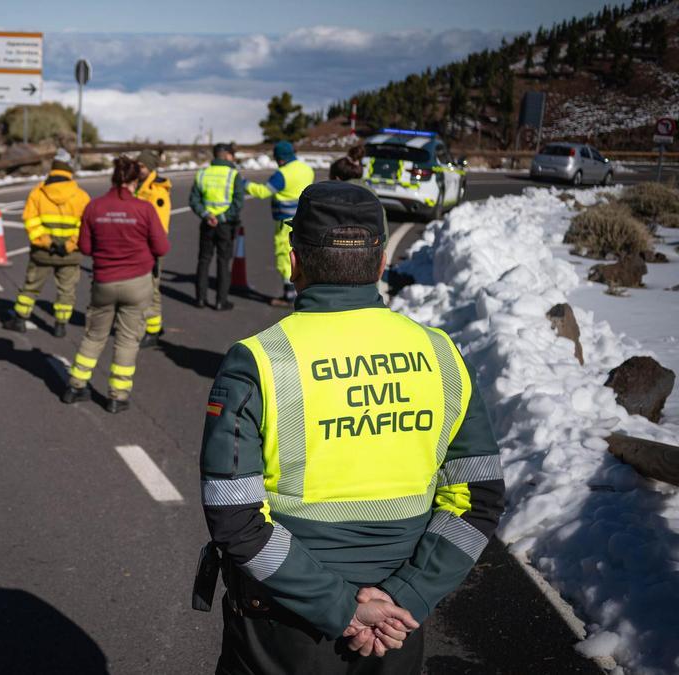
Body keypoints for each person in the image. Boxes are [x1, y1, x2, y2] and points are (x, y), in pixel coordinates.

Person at [197, 182, 505, 674]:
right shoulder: (442, 354)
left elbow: (233, 517)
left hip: (283, 626)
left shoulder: (257, 361)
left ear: (295, 262)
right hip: (398, 627)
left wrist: (342, 609)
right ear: (381, 263)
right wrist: (406, 597)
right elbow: (479, 498)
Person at [62, 156, 170, 414]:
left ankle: (76, 385)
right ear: (135, 181)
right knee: (128, 339)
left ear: (113, 177)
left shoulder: (94, 207)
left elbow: (85, 247)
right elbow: (161, 247)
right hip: (137, 282)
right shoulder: (144, 209)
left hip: (104, 281)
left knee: (94, 335)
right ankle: (117, 396)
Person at [3, 149, 91, 337]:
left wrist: (46, 242)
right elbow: (86, 226)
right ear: (69, 170)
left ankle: (20, 320)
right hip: (70, 255)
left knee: (31, 287)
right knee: (66, 291)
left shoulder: (38, 193)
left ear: (53, 169)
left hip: (42, 253)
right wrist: (69, 244)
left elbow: (30, 221)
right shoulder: (81, 196)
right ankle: (60, 326)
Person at [244, 141, 315, 306]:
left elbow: (263, 192)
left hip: (286, 222)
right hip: (305, 218)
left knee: (285, 256)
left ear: (280, 159)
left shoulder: (281, 174)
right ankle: (304, 288)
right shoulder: (306, 169)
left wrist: (244, 184)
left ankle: (289, 295)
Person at [190, 143, 245, 311]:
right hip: (225, 225)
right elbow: (238, 202)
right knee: (223, 261)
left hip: (207, 223)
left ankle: (200, 298)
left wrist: (207, 215)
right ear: (226, 155)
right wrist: (222, 217)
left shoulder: (202, 173)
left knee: (204, 260)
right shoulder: (233, 174)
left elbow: (194, 200)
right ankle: (221, 301)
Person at [134, 149, 172, 347]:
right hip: (139, 247)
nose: (137, 168)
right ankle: (154, 325)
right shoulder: (140, 186)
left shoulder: (156, 191)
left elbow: (160, 225)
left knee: (151, 291)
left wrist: (151, 248)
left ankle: (153, 331)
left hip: (149, 248)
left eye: (141, 166)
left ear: (149, 167)